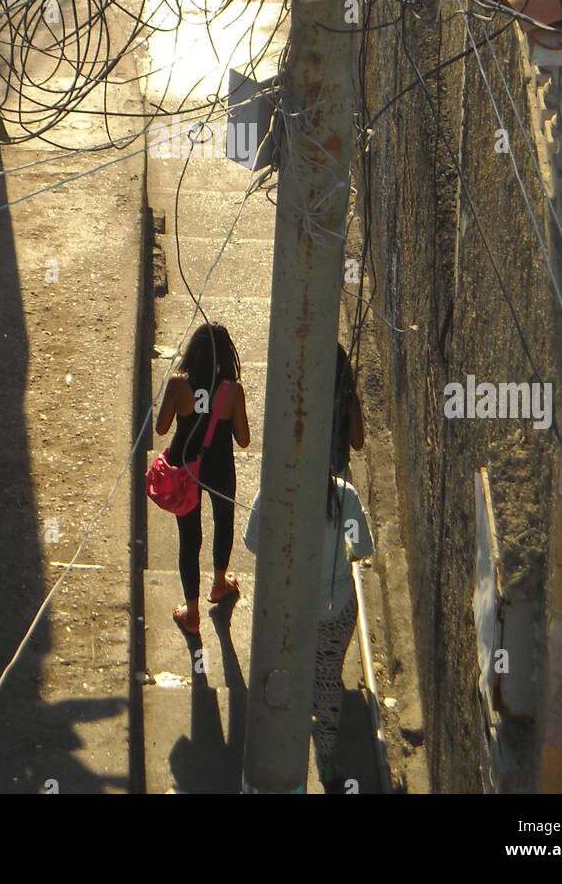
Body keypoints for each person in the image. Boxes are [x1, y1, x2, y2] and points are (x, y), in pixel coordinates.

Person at [244, 343, 372, 789]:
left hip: (291, 604)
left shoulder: (277, 490)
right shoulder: (347, 498)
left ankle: (288, 749)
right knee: (327, 678)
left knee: (294, 673)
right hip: (335, 607)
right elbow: (362, 548)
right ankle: (328, 756)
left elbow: (254, 542)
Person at [155, 322, 250, 636]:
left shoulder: (178, 385)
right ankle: (220, 583)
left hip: (187, 470)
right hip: (220, 466)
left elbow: (161, 428)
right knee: (223, 522)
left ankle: (192, 613)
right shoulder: (232, 391)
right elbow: (244, 439)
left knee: (189, 539)